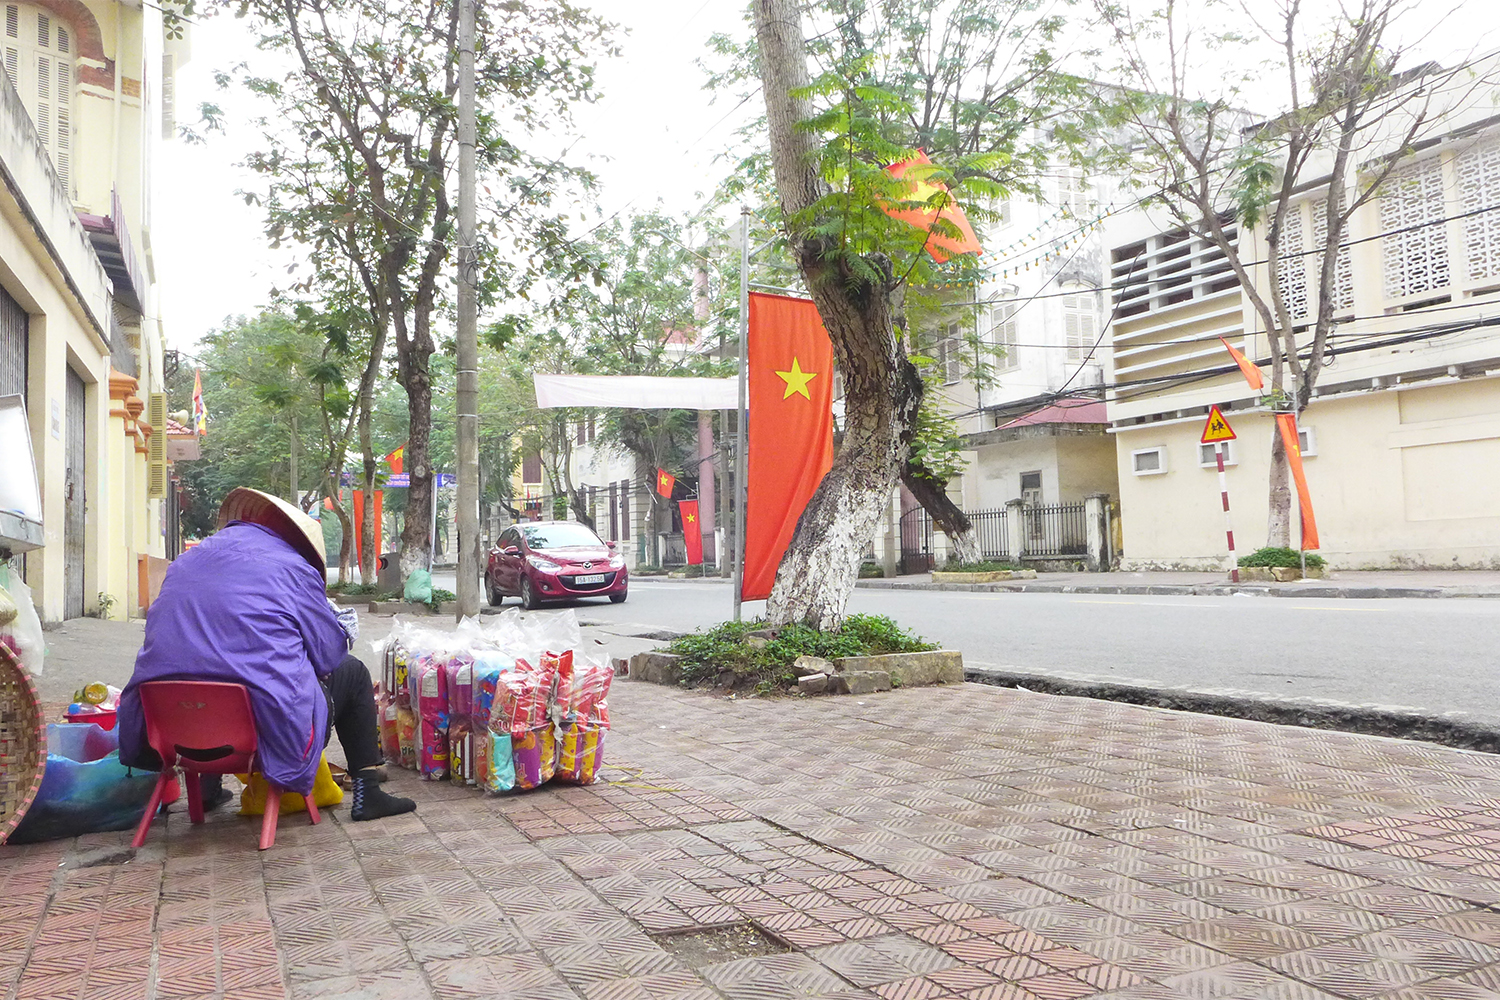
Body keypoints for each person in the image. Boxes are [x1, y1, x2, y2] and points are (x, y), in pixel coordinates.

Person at [118, 487, 415, 822]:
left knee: (204, 665)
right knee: (353, 672)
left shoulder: (184, 563)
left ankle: (207, 790)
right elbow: (329, 654)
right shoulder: (292, 567)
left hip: (169, 726)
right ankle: (369, 791)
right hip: (260, 728)